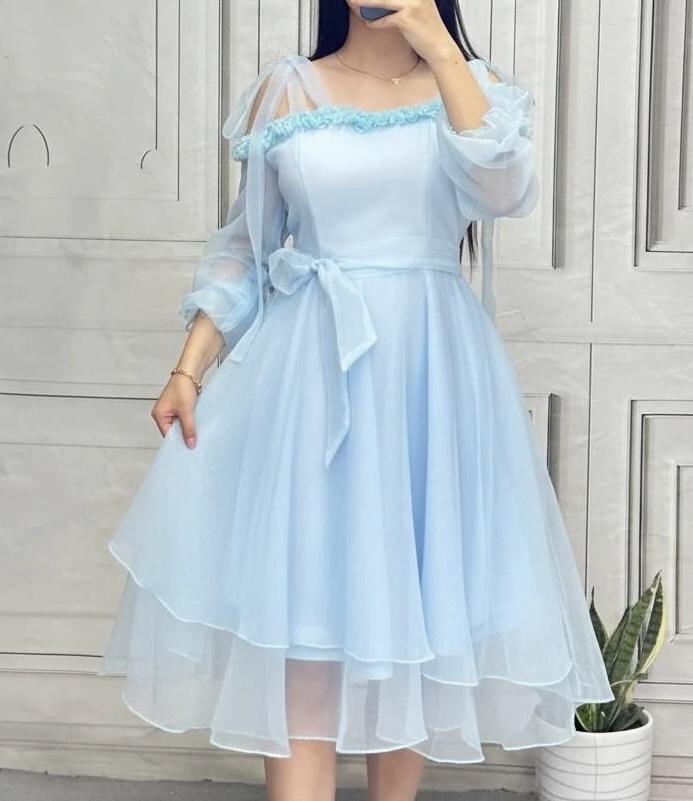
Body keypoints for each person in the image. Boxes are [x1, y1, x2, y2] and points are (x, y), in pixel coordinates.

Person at [99, 1, 615, 799]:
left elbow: (505, 188)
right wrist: (188, 368)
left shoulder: (470, 86)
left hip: (428, 382)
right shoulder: (286, 89)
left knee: (408, 631)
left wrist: (439, 49)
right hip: (309, 382)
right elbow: (245, 248)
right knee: (303, 634)